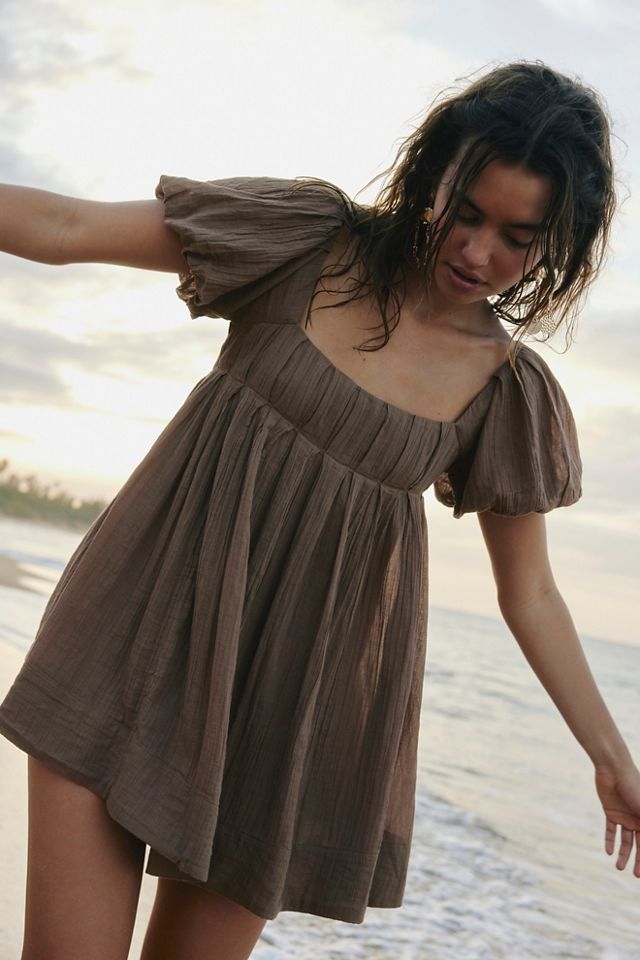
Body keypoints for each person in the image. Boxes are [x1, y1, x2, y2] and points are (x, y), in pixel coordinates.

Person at [0, 59, 639, 960]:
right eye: (465, 211)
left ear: (556, 245)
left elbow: (530, 592)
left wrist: (612, 757)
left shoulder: (502, 391)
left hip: (286, 715)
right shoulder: (303, 243)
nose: (477, 252)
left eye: (517, 237)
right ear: (433, 176)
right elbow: (69, 227)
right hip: (133, 635)